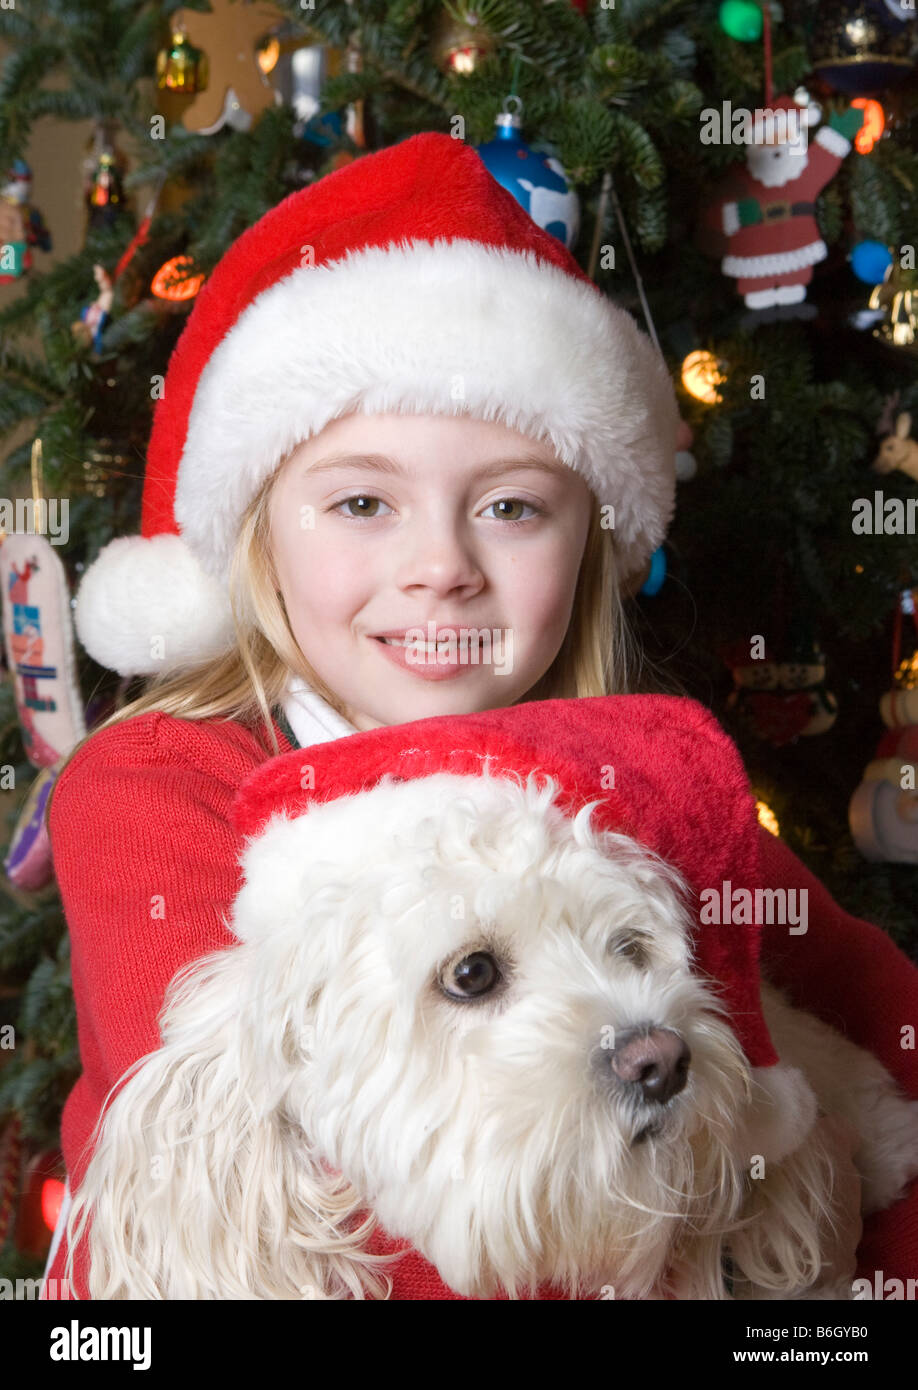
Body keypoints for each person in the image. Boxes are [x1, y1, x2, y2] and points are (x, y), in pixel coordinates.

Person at [41, 132, 914, 1300]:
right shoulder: (153, 784)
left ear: (587, 547)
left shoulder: (645, 790)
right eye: (362, 500)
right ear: (253, 534)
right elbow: (306, 1244)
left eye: (509, 506)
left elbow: (891, 1033)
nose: (440, 565)